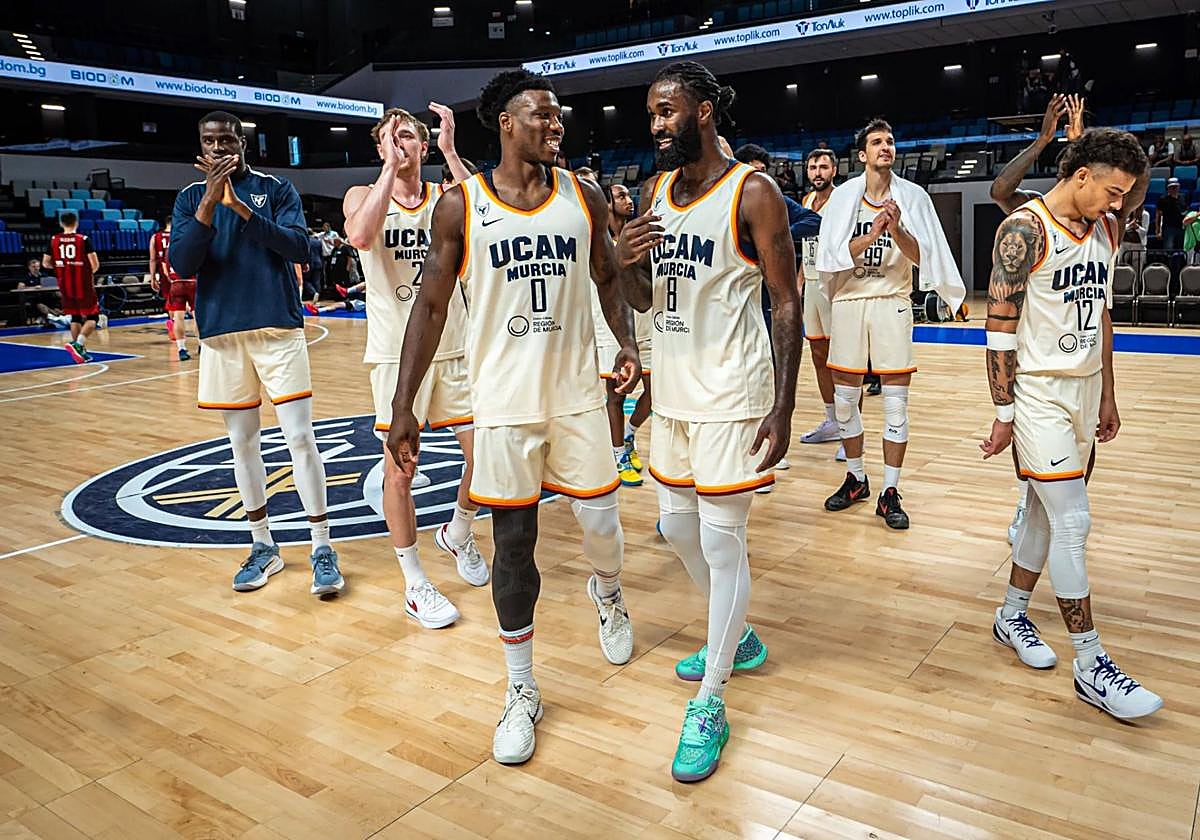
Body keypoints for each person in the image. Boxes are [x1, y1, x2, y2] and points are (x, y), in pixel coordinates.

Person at [387, 70, 640, 766]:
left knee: (602, 528)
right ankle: (521, 689)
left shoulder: (581, 195)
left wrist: (626, 344)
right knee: (514, 546)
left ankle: (608, 592)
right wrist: (403, 404)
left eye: (558, 118)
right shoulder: (460, 206)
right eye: (541, 117)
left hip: (578, 398)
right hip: (502, 406)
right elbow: (430, 306)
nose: (555, 127)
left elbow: (610, 279)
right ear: (503, 120)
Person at [618, 61, 800, 782]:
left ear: (701, 112)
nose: (656, 124)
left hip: (733, 395)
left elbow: (787, 299)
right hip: (675, 393)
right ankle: (739, 637)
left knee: (724, 546)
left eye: (667, 111)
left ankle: (712, 697)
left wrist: (785, 405)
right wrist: (624, 258)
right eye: (651, 113)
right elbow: (638, 295)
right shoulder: (654, 192)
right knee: (675, 526)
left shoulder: (752, 191)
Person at [980, 128, 1161, 720]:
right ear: (1080, 176)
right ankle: (1091, 663)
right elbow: (999, 330)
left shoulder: (1106, 228)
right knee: (1073, 521)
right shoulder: (1024, 230)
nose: (1120, 205)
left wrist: (1108, 394)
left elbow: (1103, 316)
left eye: (1125, 194)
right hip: (1037, 393)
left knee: (1041, 512)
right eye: (1111, 191)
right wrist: (1004, 413)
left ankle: (1010, 615)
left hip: (1084, 392)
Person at [170, 110, 342, 597]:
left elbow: (299, 248)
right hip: (223, 335)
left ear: (243, 144)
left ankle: (321, 547)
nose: (220, 148)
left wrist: (241, 210)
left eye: (228, 140)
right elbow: (183, 262)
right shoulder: (187, 200)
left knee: (299, 439)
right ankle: (262, 545)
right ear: (200, 148)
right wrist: (209, 203)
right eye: (210, 141)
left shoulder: (276, 188)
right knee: (242, 446)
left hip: (278, 331)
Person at [342, 104, 483, 629]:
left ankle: (459, 531)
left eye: (409, 137)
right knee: (401, 470)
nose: (401, 145)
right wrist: (388, 169)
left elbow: (488, 219)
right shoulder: (362, 196)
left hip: (455, 346)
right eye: (390, 138)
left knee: (485, 456)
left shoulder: (446, 199)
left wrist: (449, 152)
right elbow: (359, 236)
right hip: (394, 356)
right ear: (380, 148)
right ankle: (415, 582)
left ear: (424, 146)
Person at [816, 118, 964, 529]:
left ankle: (890, 490)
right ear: (862, 154)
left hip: (892, 302)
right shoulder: (844, 198)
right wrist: (872, 233)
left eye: (891, 141)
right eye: (877, 142)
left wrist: (895, 229)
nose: (886, 147)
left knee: (896, 406)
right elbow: (831, 256)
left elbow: (923, 257)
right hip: (848, 302)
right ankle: (857, 478)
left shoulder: (913, 197)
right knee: (845, 403)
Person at [990, 94, 1084, 543]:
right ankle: (1026, 508)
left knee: (1069, 478)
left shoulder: (1102, 216)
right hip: (1034, 352)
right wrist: (1043, 139)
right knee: (1035, 461)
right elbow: (999, 192)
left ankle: (1033, 511)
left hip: (1079, 357)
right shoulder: (1034, 212)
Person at [574, 170, 646, 487]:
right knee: (616, 394)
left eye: (629, 195)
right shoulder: (593, 237)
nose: (628, 200)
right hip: (608, 324)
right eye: (620, 196)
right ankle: (618, 455)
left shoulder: (633, 235)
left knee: (655, 393)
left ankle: (628, 434)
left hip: (642, 323)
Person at [796, 148, 841, 455]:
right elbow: (805, 244)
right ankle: (832, 421)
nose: (817, 172)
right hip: (811, 282)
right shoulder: (806, 202)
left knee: (843, 360)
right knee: (817, 352)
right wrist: (799, 279)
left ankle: (852, 426)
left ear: (834, 170)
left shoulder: (844, 200)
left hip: (835, 283)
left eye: (823, 167)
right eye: (813, 167)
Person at [42, 211, 100, 363]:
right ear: (77, 223)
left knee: (75, 316)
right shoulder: (83, 239)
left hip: (65, 284)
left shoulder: (54, 240)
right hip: (83, 284)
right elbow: (95, 265)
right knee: (93, 316)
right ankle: (78, 344)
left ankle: (79, 352)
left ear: (61, 224)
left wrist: (62, 268)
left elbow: (45, 263)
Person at [149, 217, 196, 361]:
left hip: (174, 280)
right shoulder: (189, 241)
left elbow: (158, 262)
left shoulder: (158, 239)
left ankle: (182, 348)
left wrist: (153, 277)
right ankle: (202, 345)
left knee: (178, 316)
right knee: (197, 315)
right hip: (191, 280)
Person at [1156, 178, 1185, 251]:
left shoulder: (1183, 197)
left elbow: (1185, 211)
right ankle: (1168, 262)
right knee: (1168, 249)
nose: (1174, 189)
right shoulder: (1163, 199)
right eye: (1172, 187)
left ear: (1179, 187)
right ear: (1168, 188)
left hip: (1181, 227)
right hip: (1168, 228)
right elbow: (1159, 215)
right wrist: (1158, 230)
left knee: (1181, 249)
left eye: (1175, 187)